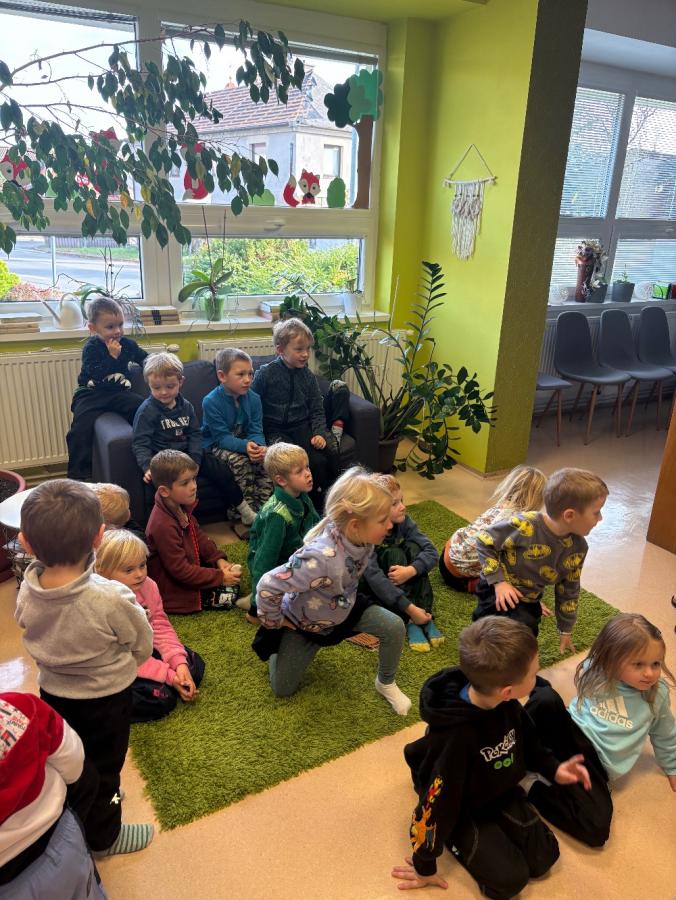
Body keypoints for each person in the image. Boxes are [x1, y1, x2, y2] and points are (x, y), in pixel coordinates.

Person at [392, 617, 591, 898]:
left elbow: (528, 741)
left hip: (496, 788)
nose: (537, 679)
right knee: (510, 882)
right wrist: (424, 863)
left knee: (545, 857)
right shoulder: (456, 740)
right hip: (461, 804)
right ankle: (458, 838)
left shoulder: (506, 703)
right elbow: (437, 803)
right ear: (507, 691)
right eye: (533, 675)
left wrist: (554, 769)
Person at [14, 479, 154, 857]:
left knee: (69, 758)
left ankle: (85, 800)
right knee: (108, 769)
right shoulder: (111, 596)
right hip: (107, 699)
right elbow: (142, 642)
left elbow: (24, 625)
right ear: (99, 537)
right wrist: (129, 664)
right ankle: (106, 837)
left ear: (25, 543)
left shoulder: (27, 589)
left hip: (53, 693)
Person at [253, 466, 411, 714]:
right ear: (356, 525)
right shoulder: (320, 560)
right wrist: (275, 622)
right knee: (282, 688)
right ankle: (279, 644)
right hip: (303, 623)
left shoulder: (362, 537)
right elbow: (267, 584)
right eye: (383, 521)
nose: (390, 525)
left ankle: (385, 682)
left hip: (342, 606)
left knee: (394, 626)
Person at [472, 467, 609, 654]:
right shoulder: (524, 524)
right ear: (569, 515)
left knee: (525, 637)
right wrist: (499, 582)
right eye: (596, 512)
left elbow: (569, 589)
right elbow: (484, 540)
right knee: (484, 630)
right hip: (495, 589)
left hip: (529, 599)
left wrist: (565, 629)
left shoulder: (578, 548)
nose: (600, 518)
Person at [0, 691, 106, 898]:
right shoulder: (17, 706)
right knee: (84, 889)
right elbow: (73, 759)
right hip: (60, 838)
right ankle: (108, 829)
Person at [95, 529, 206, 722]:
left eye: (142, 565)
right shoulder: (104, 603)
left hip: (141, 647)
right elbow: (123, 656)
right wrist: (169, 676)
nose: (140, 574)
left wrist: (178, 664)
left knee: (193, 666)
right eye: (129, 570)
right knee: (162, 699)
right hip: (114, 664)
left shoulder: (148, 585)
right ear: (103, 572)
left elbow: (160, 626)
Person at [251, 317, 352, 508]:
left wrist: (319, 433)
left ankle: (334, 498)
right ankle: (305, 506)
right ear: (280, 350)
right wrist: (258, 437)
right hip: (275, 430)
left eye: (307, 349)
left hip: (302, 426)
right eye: (299, 349)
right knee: (293, 463)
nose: (305, 354)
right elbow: (252, 406)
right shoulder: (265, 374)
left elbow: (317, 409)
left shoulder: (308, 376)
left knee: (322, 458)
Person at [569, 613, 675, 789]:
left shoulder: (657, 694)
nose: (649, 673)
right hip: (572, 733)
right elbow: (582, 702)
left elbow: (666, 734)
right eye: (638, 664)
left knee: (595, 808)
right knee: (546, 701)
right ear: (611, 660)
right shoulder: (595, 670)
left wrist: (672, 767)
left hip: (598, 765)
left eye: (656, 664)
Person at [132, 352, 242, 521]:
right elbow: (140, 442)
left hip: (187, 455)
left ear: (181, 382)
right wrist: (147, 467)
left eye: (170, 386)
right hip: (163, 460)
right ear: (149, 384)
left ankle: (242, 508)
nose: (163, 392)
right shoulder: (146, 411)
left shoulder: (187, 407)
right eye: (156, 388)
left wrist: (195, 460)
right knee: (153, 487)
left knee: (220, 468)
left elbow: (195, 434)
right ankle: (154, 527)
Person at [145, 449, 240, 614]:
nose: (194, 486)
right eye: (185, 483)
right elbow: (180, 570)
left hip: (188, 566)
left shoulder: (178, 505)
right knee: (229, 596)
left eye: (194, 479)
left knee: (233, 580)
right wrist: (219, 577)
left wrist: (217, 559)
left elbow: (197, 535)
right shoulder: (163, 525)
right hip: (174, 588)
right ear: (164, 491)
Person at [66, 297, 147, 481]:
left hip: (117, 392)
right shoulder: (92, 347)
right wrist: (112, 357)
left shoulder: (127, 345)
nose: (117, 331)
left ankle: (148, 451)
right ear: (93, 328)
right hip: (91, 394)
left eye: (120, 325)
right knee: (80, 429)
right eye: (110, 327)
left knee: (143, 407)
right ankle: (78, 475)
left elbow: (144, 358)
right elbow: (94, 373)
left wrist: (157, 364)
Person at [361, 474, 442, 653]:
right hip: (375, 589)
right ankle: (410, 617)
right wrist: (409, 608)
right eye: (395, 503)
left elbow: (432, 552)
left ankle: (423, 615)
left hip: (399, 576)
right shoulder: (367, 534)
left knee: (415, 549)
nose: (403, 507)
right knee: (394, 553)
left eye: (402, 501)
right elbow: (375, 579)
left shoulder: (404, 521)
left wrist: (410, 570)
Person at [440, 465, 546, 594]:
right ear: (538, 499)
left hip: (447, 553)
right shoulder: (522, 525)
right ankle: (474, 584)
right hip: (457, 578)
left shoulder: (501, 505)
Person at [246, 442, 319, 624]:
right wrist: (256, 606)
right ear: (281, 480)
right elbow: (263, 561)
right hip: (277, 566)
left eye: (307, 467)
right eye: (299, 471)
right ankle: (251, 606)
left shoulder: (302, 497)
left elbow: (317, 527)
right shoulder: (277, 516)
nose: (308, 473)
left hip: (295, 557)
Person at [201, 348, 273, 526]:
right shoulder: (210, 401)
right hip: (216, 444)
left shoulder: (254, 398)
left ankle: (263, 513)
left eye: (250, 374)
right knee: (239, 462)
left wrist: (259, 447)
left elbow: (256, 429)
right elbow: (222, 438)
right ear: (222, 376)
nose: (248, 379)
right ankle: (242, 516)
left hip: (246, 442)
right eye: (240, 374)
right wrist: (246, 447)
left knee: (267, 459)